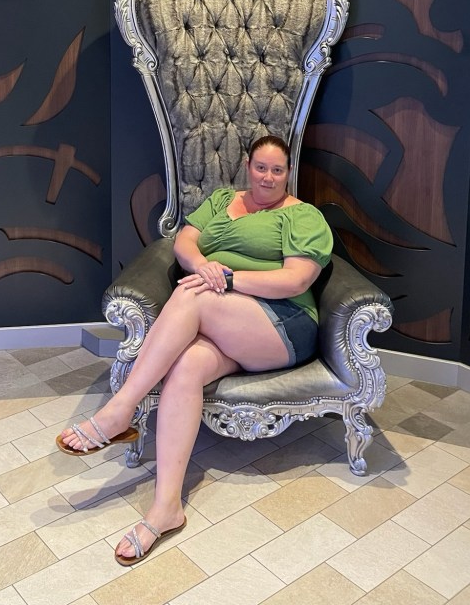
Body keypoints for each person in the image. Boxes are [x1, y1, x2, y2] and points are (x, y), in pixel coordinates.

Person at [56, 134, 332, 565]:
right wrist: (203, 266)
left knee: (193, 295)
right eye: (261, 167)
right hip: (226, 320)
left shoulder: (302, 215)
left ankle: (120, 409)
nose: (268, 177)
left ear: (288, 173)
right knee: (185, 367)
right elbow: (184, 241)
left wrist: (226, 279)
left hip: (281, 325)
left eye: (277, 170)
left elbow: (295, 280)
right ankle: (166, 508)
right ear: (248, 165)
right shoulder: (222, 200)